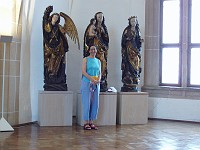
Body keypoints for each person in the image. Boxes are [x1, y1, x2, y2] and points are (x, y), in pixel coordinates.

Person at [43, 6, 79, 91]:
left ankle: (55, 74)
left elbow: (63, 36)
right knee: (50, 61)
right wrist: (46, 13)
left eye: (57, 17)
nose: (55, 19)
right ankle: (50, 74)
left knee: (58, 61)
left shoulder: (59, 27)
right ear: (51, 18)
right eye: (54, 17)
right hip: (49, 46)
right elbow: (45, 32)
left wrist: (65, 44)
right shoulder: (48, 26)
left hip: (58, 47)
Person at [84, 12, 109, 92]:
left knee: (103, 62)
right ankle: (92, 78)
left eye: (101, 17)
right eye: (98, 17)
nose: (100, 19)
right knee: (93, 63)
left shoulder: (103, 27)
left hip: (101, 48)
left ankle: (101, 78)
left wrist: (102, 32)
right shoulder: (92, 26)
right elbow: (88, 37)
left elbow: (106, 38)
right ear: (96, 18)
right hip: (94, 47)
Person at [81, 45, 101, 130]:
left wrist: (98, 80)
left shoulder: (98, 61)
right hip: (87, 82)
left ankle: (91, 122)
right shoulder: (85, 59)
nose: (93, 51)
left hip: (96, 83)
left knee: (95, 102)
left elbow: (100, 72)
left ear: (96, 51)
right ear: (89, 51)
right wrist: (91, 79)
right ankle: (86, 122)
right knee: (87, 102)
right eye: (91, 49)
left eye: (94, 49)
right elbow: (83, 71)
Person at [121, 16, 143, 92]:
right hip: (129, 50)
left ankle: (134, 78)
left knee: (136, 64)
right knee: (128, 65)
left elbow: (138, 41)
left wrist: (140, 41)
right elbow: (123, 41)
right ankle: (128, 78)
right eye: (132, 21)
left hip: (135, 50)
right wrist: (127, 39)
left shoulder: (137, 31)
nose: (133, 23)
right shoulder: (127, 30)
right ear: (130, 22)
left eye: (134, 21)